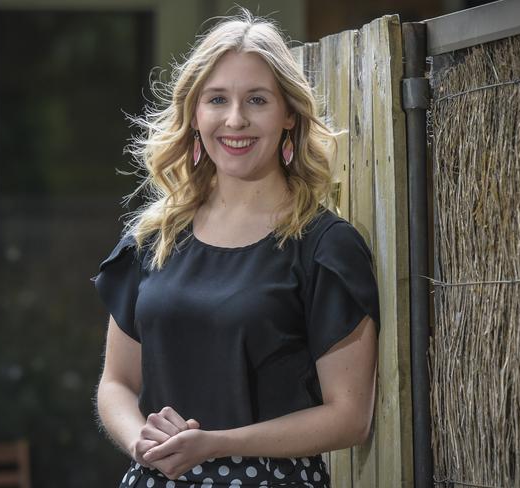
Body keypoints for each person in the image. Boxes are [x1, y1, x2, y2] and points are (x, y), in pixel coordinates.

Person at [93, 9, 380, 488]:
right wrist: (142, 440)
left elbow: (350, 416)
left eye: (257, 100)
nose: (235, 119)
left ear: (289, 114)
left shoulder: (325, 248)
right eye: (217, 99)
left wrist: (220, 443)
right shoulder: (153, 240)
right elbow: (116, 383)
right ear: (194, 114)